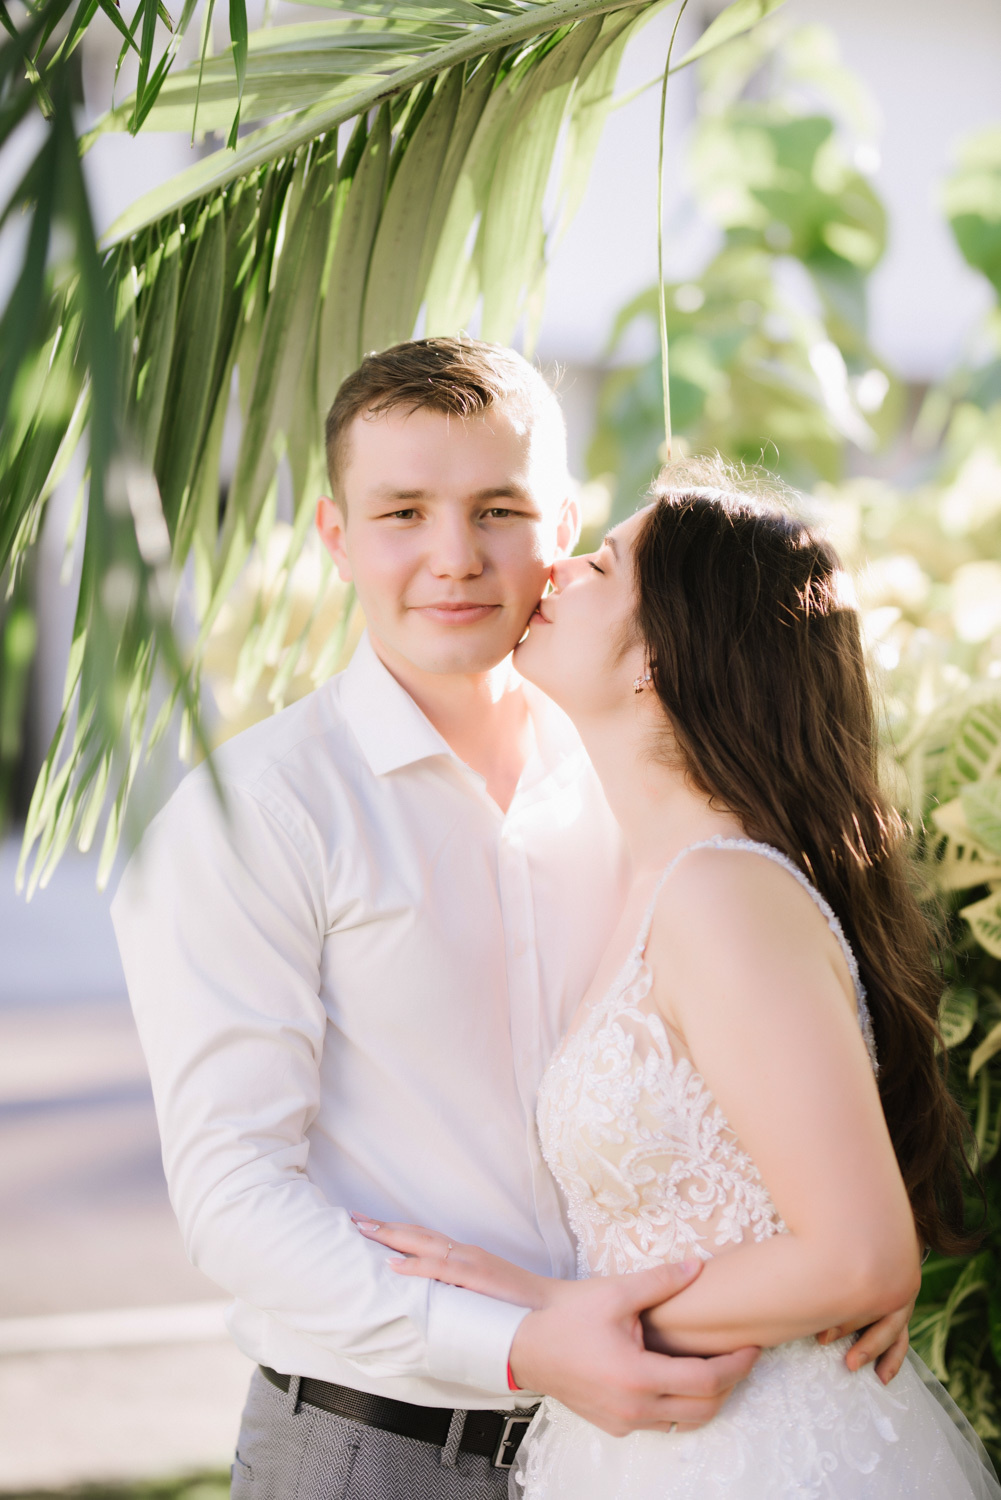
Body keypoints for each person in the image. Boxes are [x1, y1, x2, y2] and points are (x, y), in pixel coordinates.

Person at [111, 342, 913, 1500]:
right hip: (373, 1448)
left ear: (563, 524)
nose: (454, 557)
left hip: (660, 1442)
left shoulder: (645, 792)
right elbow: (234, 1200)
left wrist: (835, 1265)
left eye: (499, 509)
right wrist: (523, 1341)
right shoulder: (259, 816)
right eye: (401, 512)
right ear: (336, 536)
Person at [356, 465, 1001, 1498]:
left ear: (659, 656)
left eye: (601, 563)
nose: (557, 570)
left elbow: (861, 1261)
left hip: (765, 1459)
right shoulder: (646, 876)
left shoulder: (719, 896)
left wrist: (559, 1314)